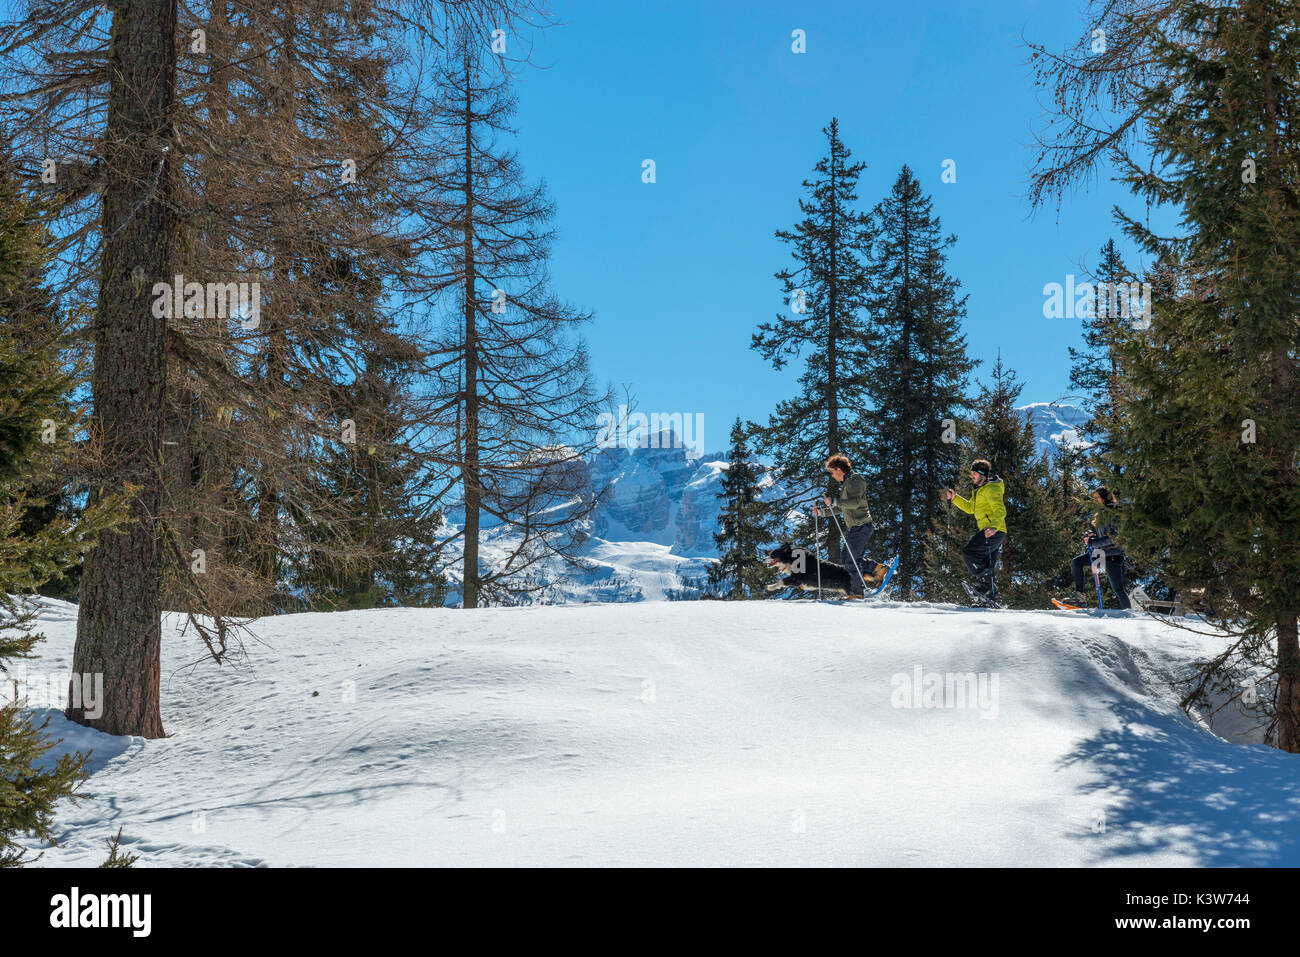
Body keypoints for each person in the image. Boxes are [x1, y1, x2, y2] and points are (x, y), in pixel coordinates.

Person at [812, 454, 879, 596]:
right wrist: (822, 513)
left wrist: (835, 501)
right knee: (846, 559)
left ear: (838, 469)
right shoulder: (847, 483)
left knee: (850, 561)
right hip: (856, 528)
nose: (831, 475)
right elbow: (842, 507)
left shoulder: (855, 480)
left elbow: (855, 503)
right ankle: (877, 569)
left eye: (831, 472)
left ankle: (857, 593)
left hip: (862, 526)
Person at [944, 459, 1008, 603]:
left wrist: (994, 527)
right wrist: (955, 498)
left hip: (993, 531)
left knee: (970, 553)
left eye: (973, 473)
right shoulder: (979, 490)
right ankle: (991, 596)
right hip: (991, 531)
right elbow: (970, 508)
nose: (971, 476)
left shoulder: (991, 489)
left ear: (982, 475)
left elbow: (1000, 509)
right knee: (986, 564)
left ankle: (986, 586)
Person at [1070, 486, 1131, 609]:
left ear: (1104, 498)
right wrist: (1092, 537)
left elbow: (1113, 538)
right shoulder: (1100, 514)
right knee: (1077, 562)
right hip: (1101, 554)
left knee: (1118, 589)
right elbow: (1101, 536)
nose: (1095, 500)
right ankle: (1079, 596)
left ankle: (1128, 613)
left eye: (1097, 497)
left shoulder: (1113, 514)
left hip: (1113, 554)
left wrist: (1093, 542)